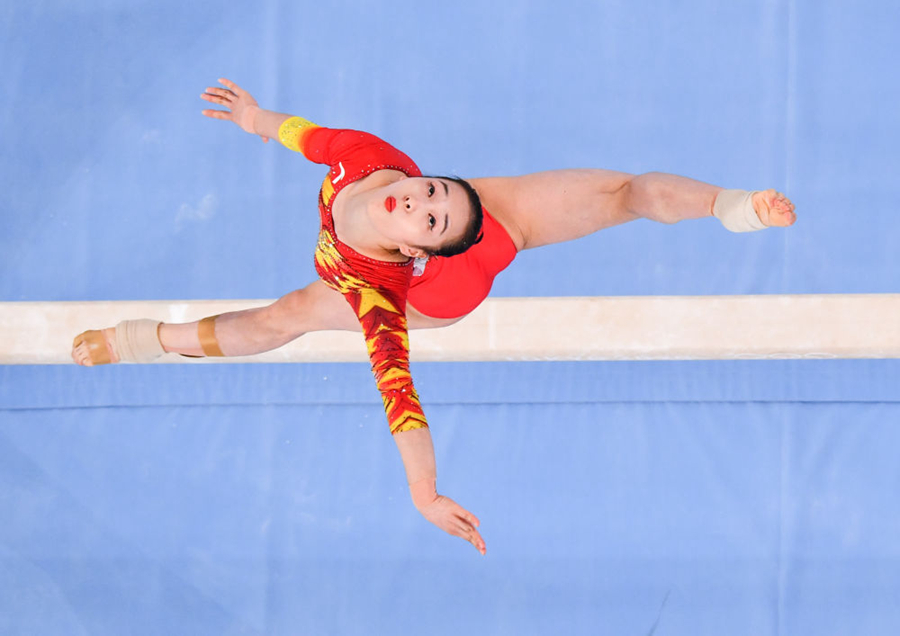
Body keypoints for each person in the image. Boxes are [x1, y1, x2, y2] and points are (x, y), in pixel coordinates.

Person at [72, 79, 796, 555]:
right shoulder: (368, 158)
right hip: (471, 221)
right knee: (282, 315)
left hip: (445, 291)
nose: (416, 200)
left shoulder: (381, 296)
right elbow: (305, 134)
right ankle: (150, 340)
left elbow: (401, 396)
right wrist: (254, 119)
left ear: (416, 250)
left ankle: (732, 206)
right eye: (429, 193)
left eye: (428, 215)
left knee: (624, 192)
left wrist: (424, 494)